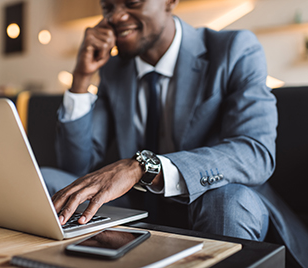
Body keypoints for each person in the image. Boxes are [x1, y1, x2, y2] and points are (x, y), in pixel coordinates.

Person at [40, 0, 307, 266]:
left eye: (131, 3)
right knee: (47, 181)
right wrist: (81, 79)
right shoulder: (114, 70)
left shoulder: (235, 48)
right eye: (108, 7)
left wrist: (143, 168)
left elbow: (255, 153)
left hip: (215, 206)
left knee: (226, 201)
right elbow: (76, 166)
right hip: (140, 207)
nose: (117, 16)